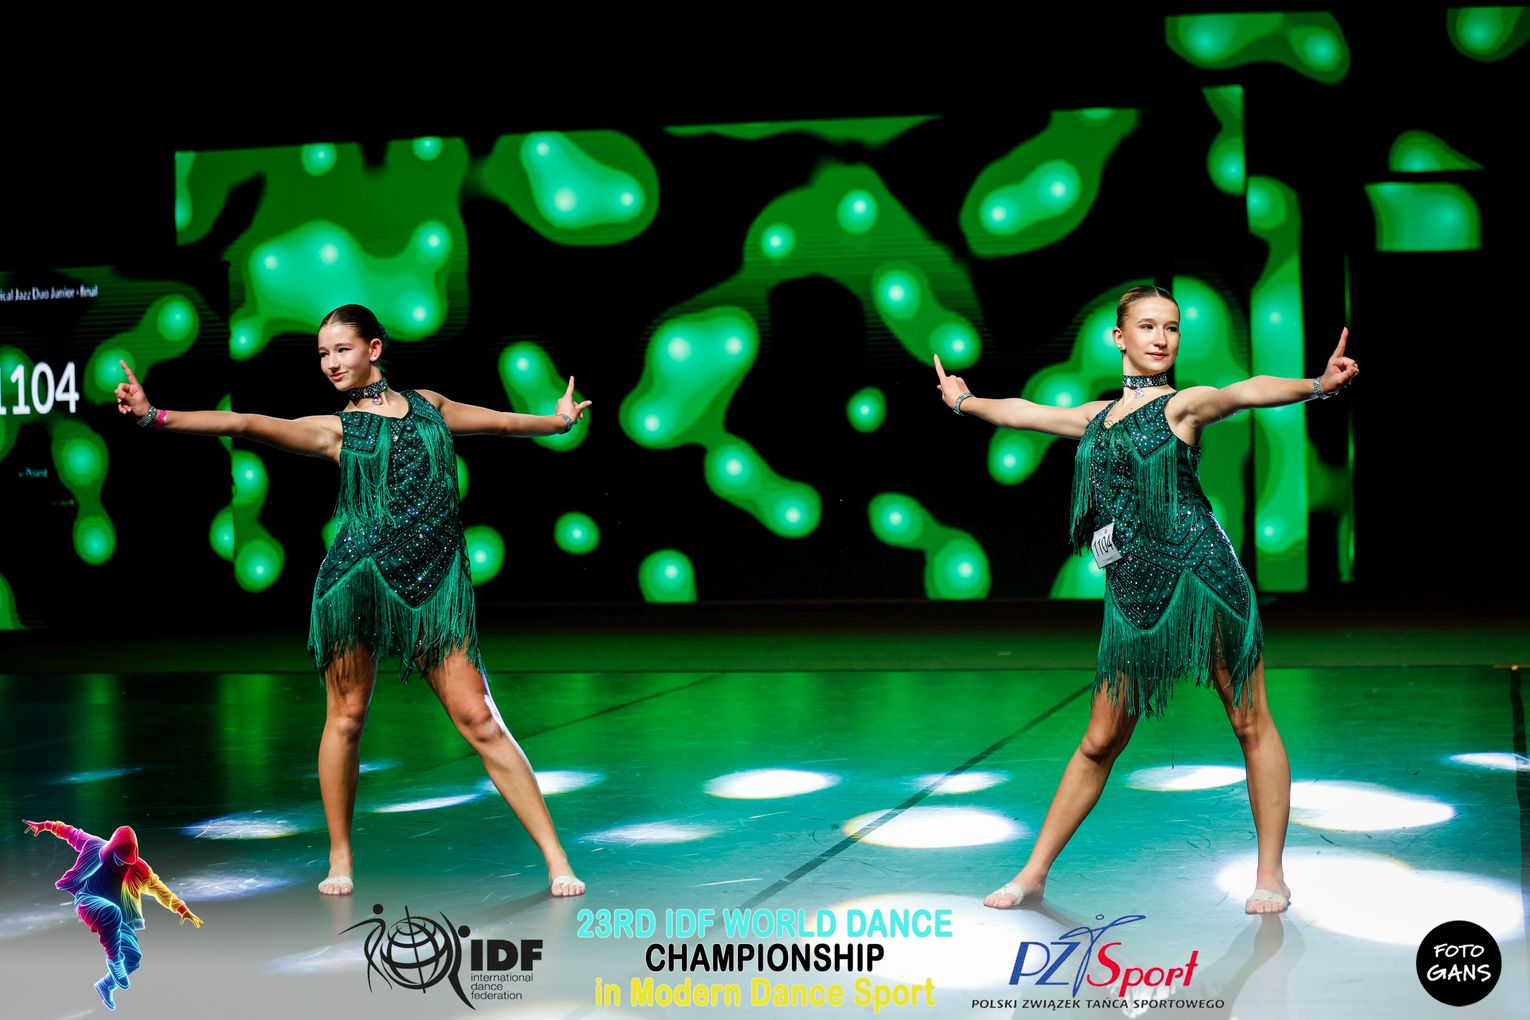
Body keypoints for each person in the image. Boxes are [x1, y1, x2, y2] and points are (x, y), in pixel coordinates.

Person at [113, 304, 591, 899]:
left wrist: (557, 422)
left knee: (480, 719)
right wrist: (154, 417)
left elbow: (498, 423)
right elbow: (246, 422)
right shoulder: (336, 429)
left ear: (374, 349)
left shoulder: (430, 406)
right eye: (322, 354)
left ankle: (556, 859)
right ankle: (340, 855)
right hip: (357, 584)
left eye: (342, 349)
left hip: (434, 585)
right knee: (347, 717)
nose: (331, 363)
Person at [933, 285, 1358, 915]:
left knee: (1250, 723)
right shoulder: (1095, 418)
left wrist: (1317, 386)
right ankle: (1034, 874)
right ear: (1119, 337)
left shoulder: (1181, 406)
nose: (1162, 338)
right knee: (1099, 741)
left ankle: (1272, 874)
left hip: (1203, 580)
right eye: (1148, 326)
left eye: (1172, 327)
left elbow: (1243, 392)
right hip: (1132, 596)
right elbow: (1022, 411)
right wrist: (964, 401)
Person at [24, 818, 203, 1011]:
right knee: (111, 911)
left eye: (127, 861)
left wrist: (181, 909)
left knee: (133, 959)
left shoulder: (140, 869)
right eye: (119, 859)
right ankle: (114, 961)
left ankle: (105, 985)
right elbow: (70, 832)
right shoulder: (94, 845)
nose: (122, 864)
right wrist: (46, 825)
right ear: (112, 849)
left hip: (121, 918)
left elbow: (159, 889)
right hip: (88, 900)